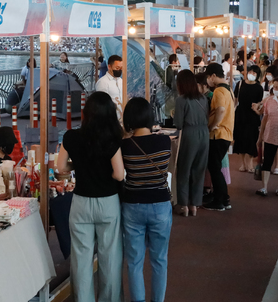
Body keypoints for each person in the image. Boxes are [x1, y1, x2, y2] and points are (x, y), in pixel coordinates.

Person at [57, 92, 125, 302]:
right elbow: (119, 174)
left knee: (81, 259)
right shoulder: (112, 139)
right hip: (107, 203)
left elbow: (60, 168)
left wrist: (75, 165)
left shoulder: (71, 137)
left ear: (86, 113)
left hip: (81, 203)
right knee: (110, 258)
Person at [121, 98, 172, 302]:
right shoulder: (164, 141)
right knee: (159, 260)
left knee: (134, 261)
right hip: (160, 204)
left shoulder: (125, 145)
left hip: (133, 205)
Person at [173, 70, 209, 216]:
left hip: (189, 134)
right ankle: (194, 204)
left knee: (184, 169)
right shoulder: (203, 98)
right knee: (199, 170)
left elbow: (178, 124)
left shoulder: (180, 100)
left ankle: (183, 204)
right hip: (204, 133)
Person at [203, 63, 235, 211]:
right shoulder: (229, 90)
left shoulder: (219, 91)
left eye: (208, 77)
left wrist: (212, 125)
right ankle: (224, 198)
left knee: (215, 168)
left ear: (213, 76)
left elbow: (220, 110)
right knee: (217, 168)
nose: (208, 81)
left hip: (218, 134)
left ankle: (219, 200)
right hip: (226, 133)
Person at [232, 66, 264, 173]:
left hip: (252, 116)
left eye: (255, 73)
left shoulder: (259, 87)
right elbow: (235, 100)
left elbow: (260, 102)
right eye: (250, 72)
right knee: (240, 138)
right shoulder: (240, 84)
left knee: (251, 139)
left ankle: (250, 163)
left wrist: (257, 107)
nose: (252, 74)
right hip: (240, 114)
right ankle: (243, 163)